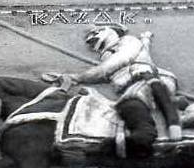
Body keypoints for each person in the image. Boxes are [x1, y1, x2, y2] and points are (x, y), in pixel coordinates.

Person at [61, 25, 183, 158]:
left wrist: (76, 77)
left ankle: (107, 148)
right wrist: (145, 39)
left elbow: (110, 66)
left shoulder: (127, 41)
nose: (91, 38)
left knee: (134, 111)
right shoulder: (111, 52)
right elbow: (141, 54)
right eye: (89, 39)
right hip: (141, 83)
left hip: (141, 81)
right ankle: (172, 116)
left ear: (111, 31)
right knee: (138, 104)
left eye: (96, 32)